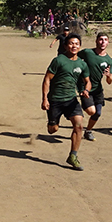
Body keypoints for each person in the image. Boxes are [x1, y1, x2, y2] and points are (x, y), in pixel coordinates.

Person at [42, 33, 91, 170]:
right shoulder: (59, 60)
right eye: (71, 43)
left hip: (71, 99)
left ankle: (73, 156)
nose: (74, 46)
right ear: (65, 46)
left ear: (79, 46)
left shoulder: (82, 64)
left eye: (76, 43)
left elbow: (88, 82)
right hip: (55, 100)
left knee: (79, 125)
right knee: (53, 130)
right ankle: (52, 122)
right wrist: (45, 98)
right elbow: (47, 79)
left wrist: (86, 90)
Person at [78, 32, 112, 141]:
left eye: (105, 40)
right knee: (91, 111)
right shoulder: (88, 52)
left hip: (97, 89)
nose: (103, 42)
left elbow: (110, 81)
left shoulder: (109, 60)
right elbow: (74, 57)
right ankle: (76, 109)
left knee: (97, 113)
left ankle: (88, 131)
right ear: (96, 41)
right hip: (84, 87)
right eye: (101, 39)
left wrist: (108, 76)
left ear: (108, 42)